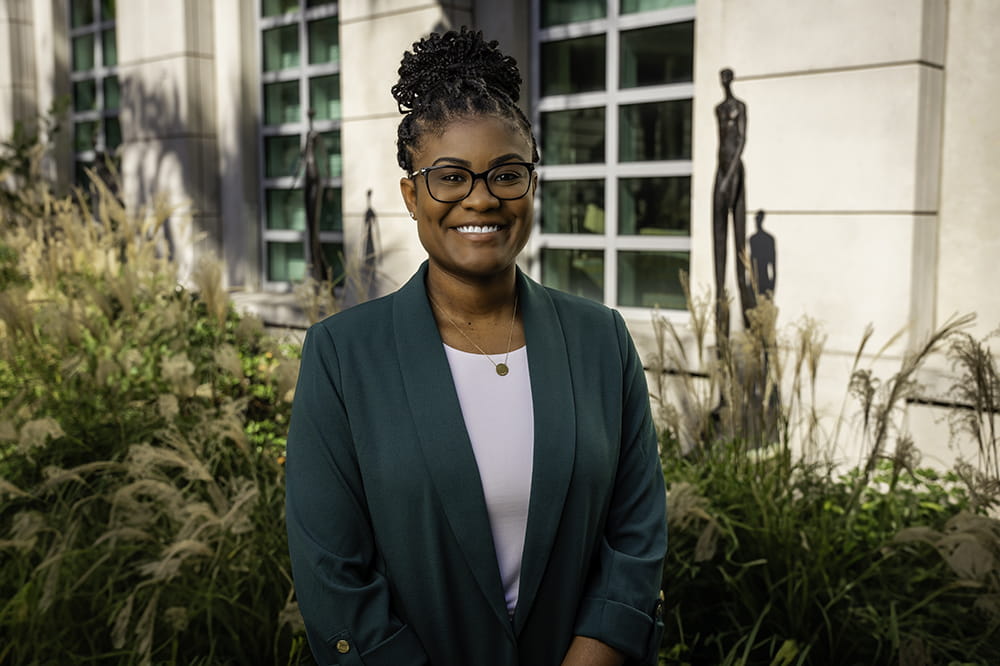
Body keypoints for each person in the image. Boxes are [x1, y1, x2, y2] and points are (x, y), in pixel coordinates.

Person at [285, 28, 667, 666]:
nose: (482, 198)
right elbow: (333, 574)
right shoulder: (342, 356)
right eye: (450, 177)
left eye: (506, 174)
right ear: (412, 195)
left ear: (532, 186)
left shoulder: (602, 340)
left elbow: (636, 535)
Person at [712, 67, 756, 340]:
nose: (724, 83)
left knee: (739, 249)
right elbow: (721, 143)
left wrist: (729, 177)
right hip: (721, 168)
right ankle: (719, 329)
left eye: (727, 78)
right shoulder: (718, 109)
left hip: (735, 171)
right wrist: (721, 175)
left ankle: (749, 325)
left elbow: (741, 140)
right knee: (718, 243)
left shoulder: (740, 107)